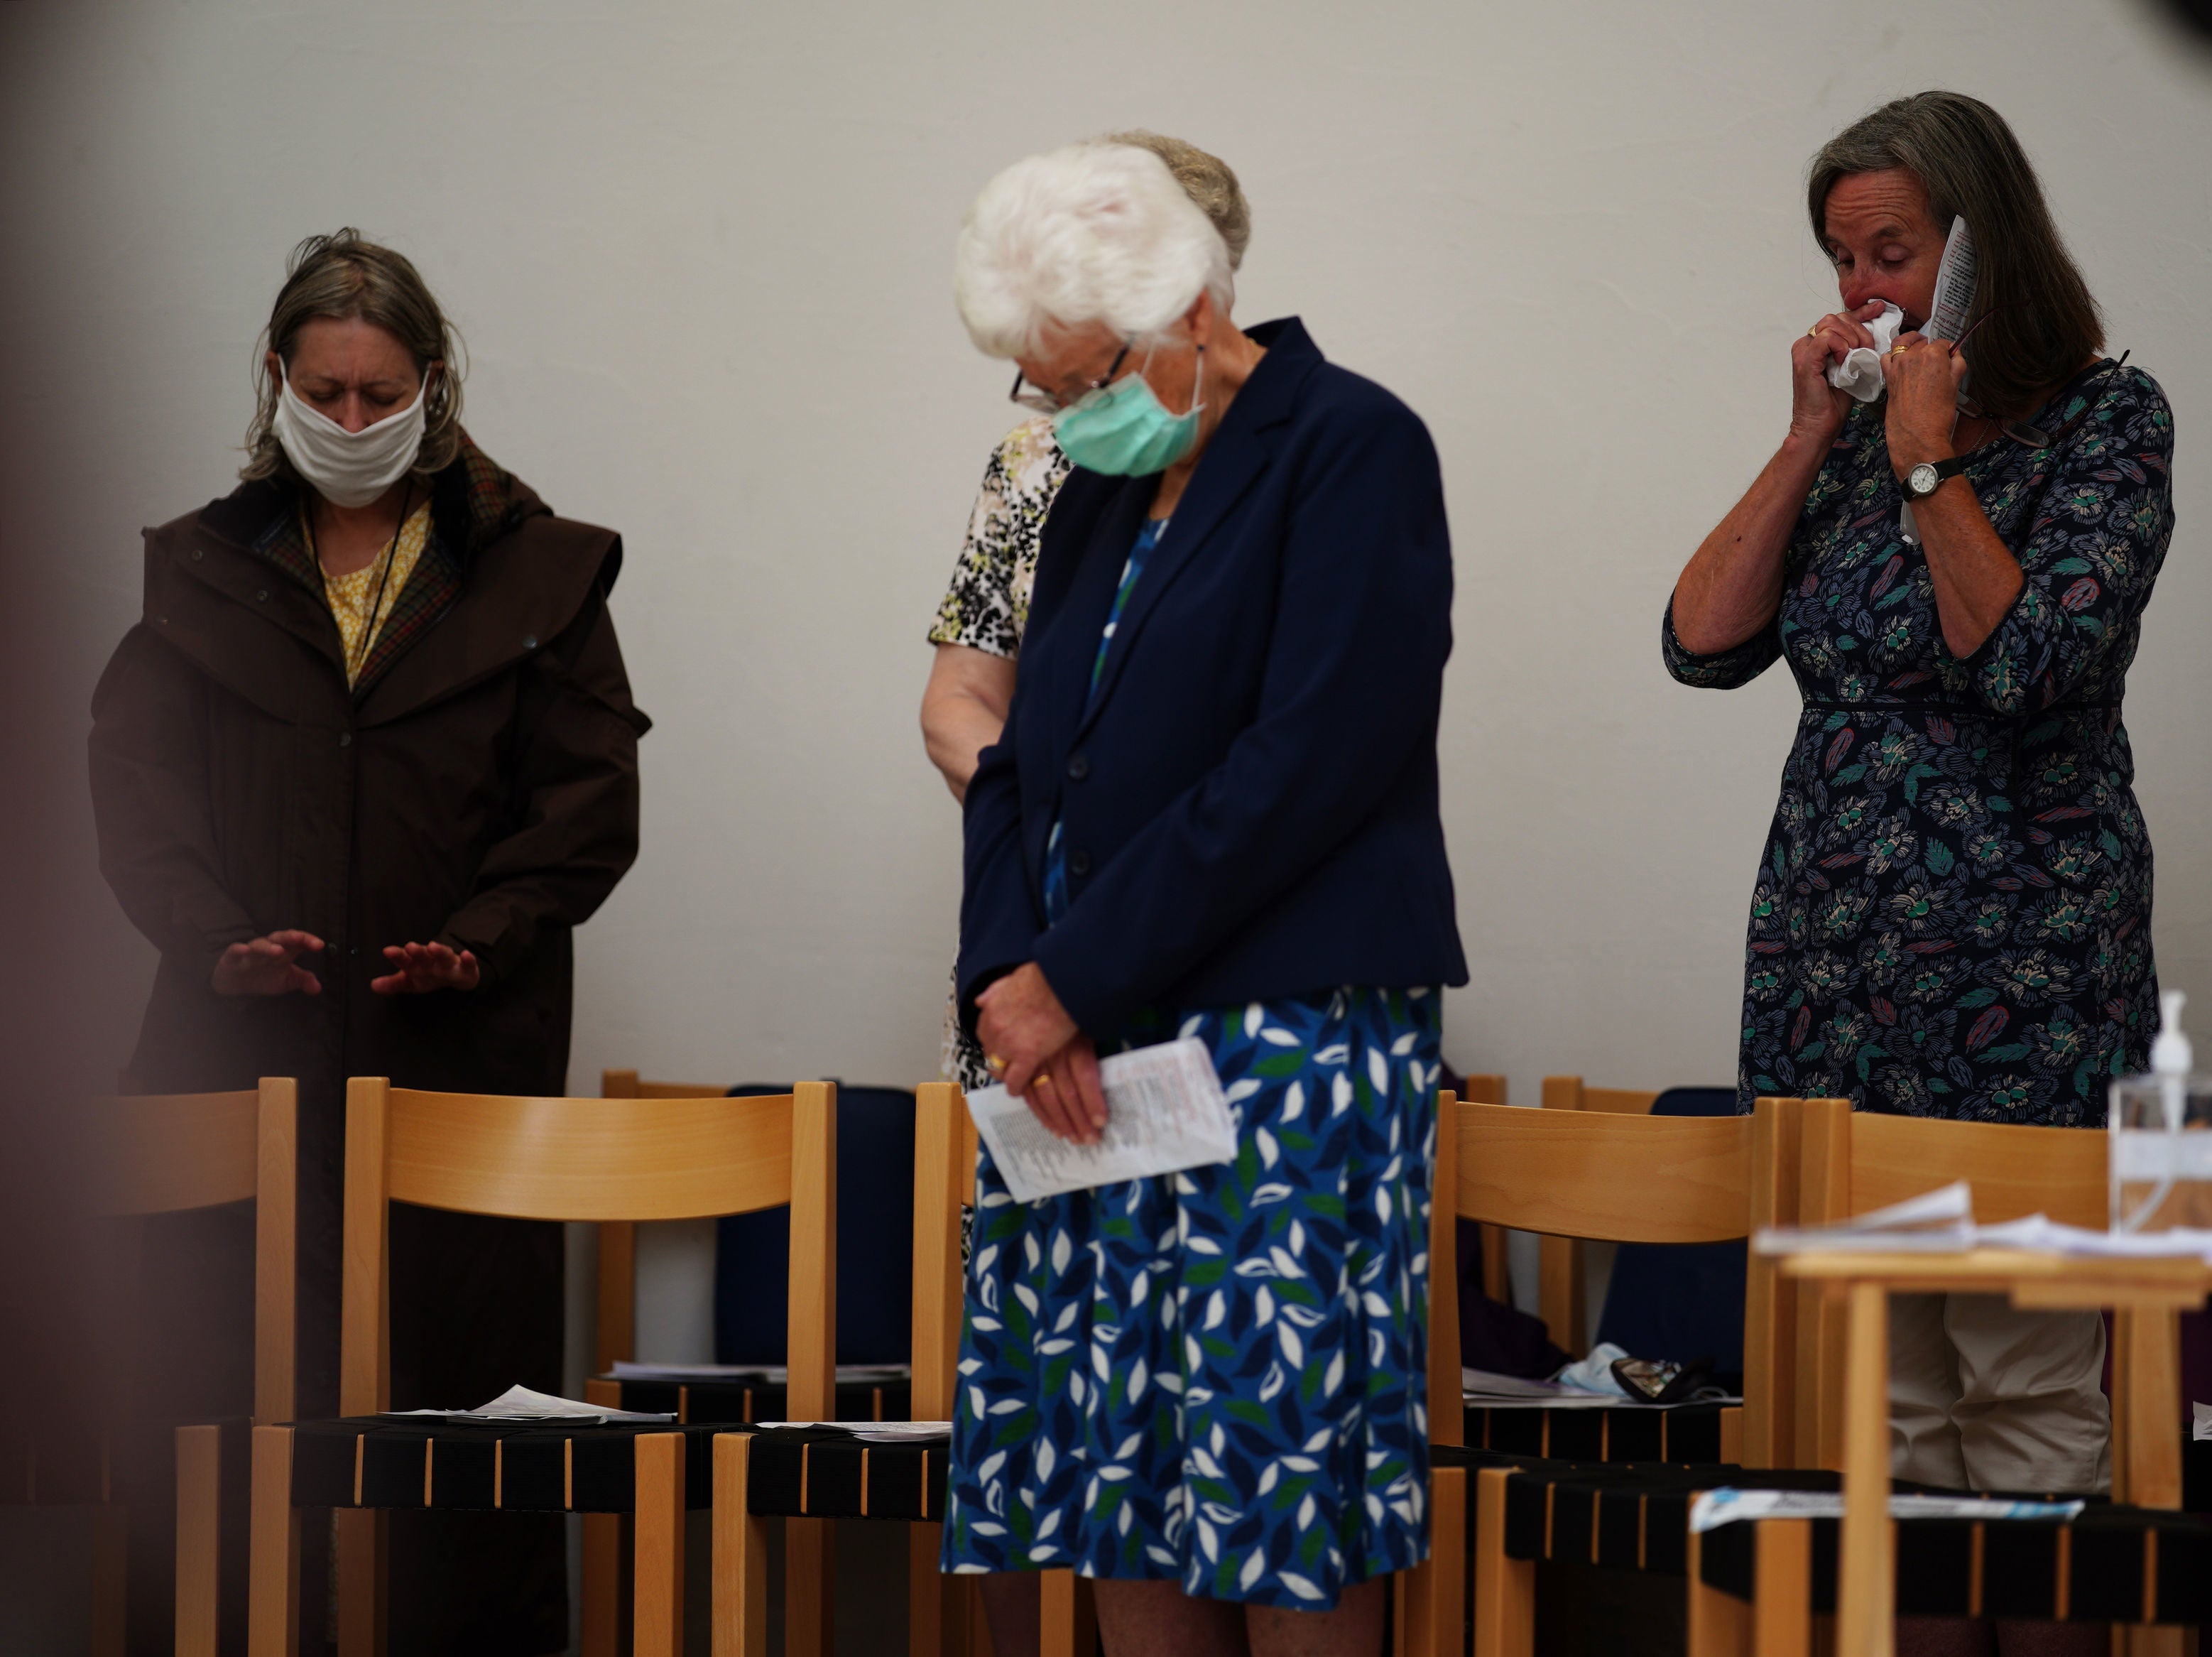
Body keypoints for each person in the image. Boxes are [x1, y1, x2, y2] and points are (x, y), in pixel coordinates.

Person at [89, 230, 648, 1653]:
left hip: (459, 1069)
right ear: (274, 379)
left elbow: (587, 806)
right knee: (216, 1427)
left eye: (378, 394)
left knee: (467, 1436)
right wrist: (216, 942)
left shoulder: (541, 573)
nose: (350, 421)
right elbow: (137, 796)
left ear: (433, 387)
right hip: (239, 1072)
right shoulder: (197, 574)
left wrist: (480, 937)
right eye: (323, 391)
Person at [1665, 92, 2172, 1656]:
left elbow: (2023, 661)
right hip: (1843, 965)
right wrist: (1818, 433)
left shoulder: (2108, 420)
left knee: (2020, 1399)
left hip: (2024, 970)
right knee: (1877, 1417)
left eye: (1892, 252)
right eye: (1841, 257)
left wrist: (1928, 460)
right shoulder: (1850, 439)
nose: (1860, 288)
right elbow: (1699, 644)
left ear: (1978, 252)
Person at [943, 142, 1465, 1657]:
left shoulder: (1350, 444)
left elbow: (1308, 765)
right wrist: (1012, 987)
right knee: (1115, 1460)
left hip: (1287, 1033)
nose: (1055, 417)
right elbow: (1022, 761)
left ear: (1184, 312)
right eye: (1035, 390)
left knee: (1275, 1478)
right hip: (1083, 1042)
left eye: (1077, 378)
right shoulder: (1101, 490)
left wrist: (1071, 980)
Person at [922, 129, 1253, 1097]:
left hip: (1208, 930)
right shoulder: (1037, 469)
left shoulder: (1285, 450)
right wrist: (1052, 837)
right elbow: (959, 702)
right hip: (1039, 926)